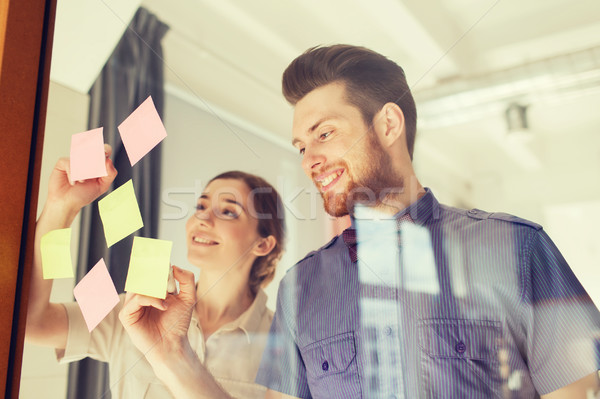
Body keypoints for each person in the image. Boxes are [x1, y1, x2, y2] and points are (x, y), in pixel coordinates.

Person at [251, 44, 600, 398]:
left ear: (388, 125)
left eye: (324, 134)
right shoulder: (299, 288)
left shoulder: (520, 249)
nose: (308, 160)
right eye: (301, 147)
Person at [25, 146, 286, 399]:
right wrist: (61, 206)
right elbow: (32, 322)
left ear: (263, 244)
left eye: (228, 211)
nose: (203, 219)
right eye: (200, 207)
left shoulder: (285, 349)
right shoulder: (132, 311)